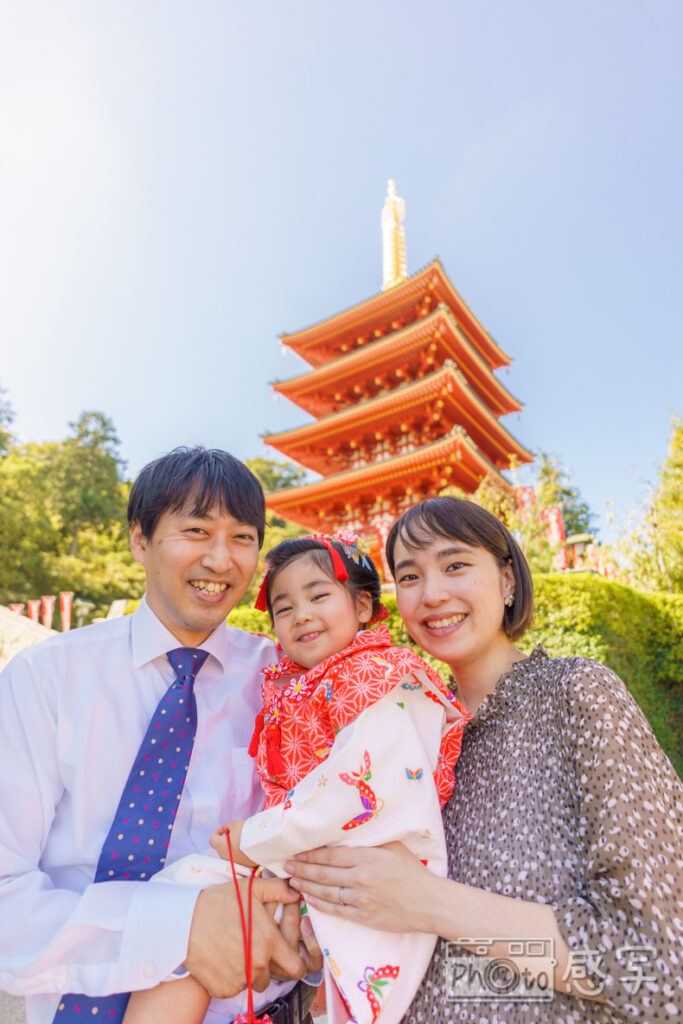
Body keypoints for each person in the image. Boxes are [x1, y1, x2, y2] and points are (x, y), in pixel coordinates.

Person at [286, 497, 683, 1022]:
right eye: (408, 577)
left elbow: (655, 967)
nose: (431, 594)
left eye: (455, 565)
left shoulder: (576, 694)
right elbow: (435, 963)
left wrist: (429, 902)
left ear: (508, 579)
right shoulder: (402, 728)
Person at [0, 447, 320, 1024]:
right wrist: (175, 929)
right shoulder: (44, 679)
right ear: (140, 541)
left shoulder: (289, 681)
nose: (221, 560)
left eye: (243, 538)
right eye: (195, 531)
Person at [123, 533, 470, 1024]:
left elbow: (355, 788)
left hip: (368, 865)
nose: (301, 614)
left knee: (355, 991)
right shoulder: (301, 684)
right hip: (312, 855)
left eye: (319, 596)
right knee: (187, 905)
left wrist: (255, 838)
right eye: (283, 609)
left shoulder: (382, 677)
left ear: (365, 607)